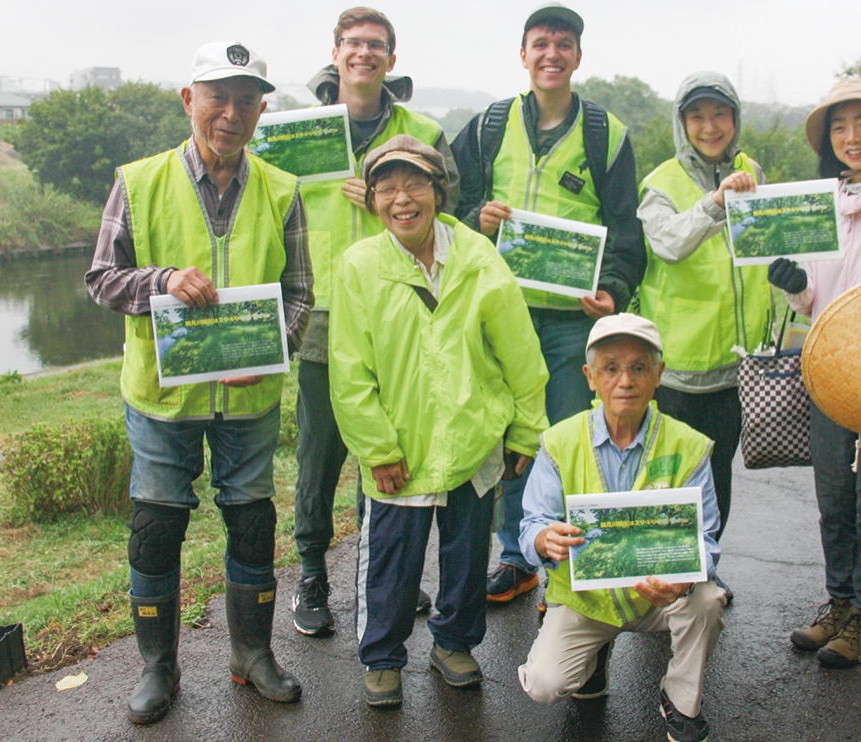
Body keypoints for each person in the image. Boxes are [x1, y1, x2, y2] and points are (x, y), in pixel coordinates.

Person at [85, 41, 312, 724]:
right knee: (156, 528)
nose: (231, 112)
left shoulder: (282, 188)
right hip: (163, 398)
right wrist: (160, 281)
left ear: (262, 109)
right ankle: (159, 668)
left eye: (247, 99)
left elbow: (299, 293)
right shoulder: (139, 179)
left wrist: (273, 347)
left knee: (251, 524)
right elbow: (101, 278)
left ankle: (251, 655)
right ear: (190, 101)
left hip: (247, 398)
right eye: (218, 96)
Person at [328, 135, 548, 708]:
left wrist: (525, 429)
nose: (403, 199)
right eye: (388, 187)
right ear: (373, 199)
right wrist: (377, 448)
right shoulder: (358, 267)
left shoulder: (478, 257)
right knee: (392, 562)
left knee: (467, 556)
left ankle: (453, 642)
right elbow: (350, 373)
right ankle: (382, 655)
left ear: (438, 191)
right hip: (401, 450)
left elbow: (520, 351)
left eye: (415, 184)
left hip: (474, 441)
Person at [451, 2, 645, 605]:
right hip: (497, 314)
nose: (551, 54)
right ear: (524, 55)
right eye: (541, 44)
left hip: (567, 324)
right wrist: (473, 218)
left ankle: (573, 561)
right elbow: (447, 206)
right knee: (505, 435)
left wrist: (612, 289)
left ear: (578, 57)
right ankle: (516, 556)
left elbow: (625, 229)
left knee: (563, 438)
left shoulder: (604, 134)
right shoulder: (487, 126)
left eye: (563, 45)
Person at [291, 6, 460, 636]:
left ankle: (385, 569)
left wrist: (394, 196)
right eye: (353, 43)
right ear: (335, 51)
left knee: (389, 447)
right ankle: (311, 575)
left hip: (399, 309)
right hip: (320, 314)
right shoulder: (299, 129)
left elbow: (455, 207)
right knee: (320, 454)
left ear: (393, 58)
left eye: (377, 45)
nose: (364, 53)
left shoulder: (422, 128)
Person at [517, 313, 726, 742]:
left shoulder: (688, 444)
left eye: (638, 367)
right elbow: (532, 525)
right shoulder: (559, 441)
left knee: (707, 598)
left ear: (658, 375)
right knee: (544, 684)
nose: (625, 381)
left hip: (658, 597)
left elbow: (706, 540)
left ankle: (681, 703)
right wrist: (542, 538)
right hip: (587, 599)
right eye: (611, 368)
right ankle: (593, 658)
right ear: (590, 377)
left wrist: (684, 578)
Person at [766, 77, 861, 667]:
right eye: (840, 127)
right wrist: (796, 285)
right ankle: (839, 605)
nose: (852, 137)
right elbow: (814, 295)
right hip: (823, 369)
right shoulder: (818, 202)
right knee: (835, 498)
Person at [634, 71, 769, 605]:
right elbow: (668, 243)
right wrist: (715, 201)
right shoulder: (660, 182)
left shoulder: (751, 170)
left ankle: (704, 568)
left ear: (734, 120)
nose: (709, 126)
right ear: (681, 123)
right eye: (697, 116)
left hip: (737, 363)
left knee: (717, 474)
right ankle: (662, 576)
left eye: (720, 114)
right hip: (679, 367)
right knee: (669, 476)